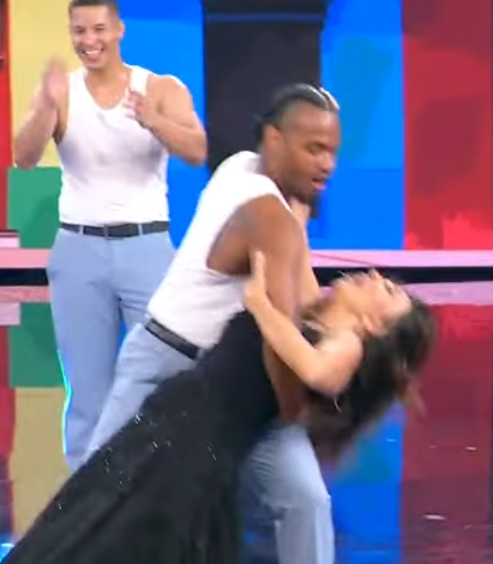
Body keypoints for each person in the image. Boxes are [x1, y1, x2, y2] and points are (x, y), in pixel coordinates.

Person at [1, 250, 436, 563]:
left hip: (199, 448)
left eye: (388, 290)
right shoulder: (310, 313)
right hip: (172, 418)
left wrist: (261, 307)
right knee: (97, 517)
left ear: (376, 326)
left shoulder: (346, 344)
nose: (375, 275)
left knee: (127, 533)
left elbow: (318, 372)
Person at [80, 83, 342, 564]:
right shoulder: (269, 217)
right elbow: (283, 343)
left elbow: (302, 288)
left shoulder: (242, 166)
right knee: (95, 501)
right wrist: (294, 411)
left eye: (332, 151)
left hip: (231, 382)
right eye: (314, 149)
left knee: (305, 500)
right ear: (275, 139)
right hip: (166, 364)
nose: (328, 164)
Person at [12, 0, 207, 471]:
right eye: (79, 31)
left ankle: (159, 489)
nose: (89, 41)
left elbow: (198, 150)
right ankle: (86, 497)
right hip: (79, 249)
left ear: (118, 29)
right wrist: (45, 105)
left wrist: (155, 121)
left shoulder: (159, 88)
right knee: (87, 389)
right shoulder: (62, 93)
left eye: (98, 29)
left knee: (162, 378)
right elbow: (24, 157)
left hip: (147, 248)